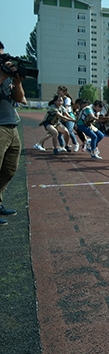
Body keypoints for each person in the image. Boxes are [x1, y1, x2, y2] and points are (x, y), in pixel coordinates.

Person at [0, 42, 27, 225]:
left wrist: (16, 81)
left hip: (11, 125)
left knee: (9, 169)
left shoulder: (7, 77)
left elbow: (20, 99)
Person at [57, 86, 80, 152]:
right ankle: (62, 146)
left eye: (59, 90)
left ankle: (76, 143)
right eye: (58, 90)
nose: (58, 91)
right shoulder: (58, 98)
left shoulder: (67, 99)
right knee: (59, 132)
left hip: (69, 115)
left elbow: (66, 108)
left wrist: (65, 117)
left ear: (64, 92)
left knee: (69, 131)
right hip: (61, 115)